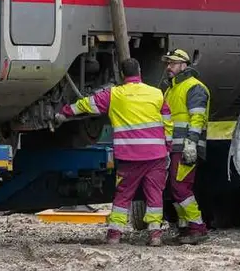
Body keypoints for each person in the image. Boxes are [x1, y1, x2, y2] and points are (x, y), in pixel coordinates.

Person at [55, 58, 171, 246]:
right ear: (140, 71)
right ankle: (155, 235)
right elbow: (168, 121)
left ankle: (115, 235)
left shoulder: (114, 94)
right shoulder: (156, 94)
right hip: (155, 155)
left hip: (130, 156)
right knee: (155, 194)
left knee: (124, 194)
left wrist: (65, 112)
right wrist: (168, 147)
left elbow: (86, 104)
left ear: (123, 75)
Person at [160, 49, 211, 245]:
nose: (169, 67)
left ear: (184, 65)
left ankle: (198, 228)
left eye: (172, 63)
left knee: (181, 188)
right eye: (168, 63)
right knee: (175, 189)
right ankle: (185, 228)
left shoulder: (194, 88)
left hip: (186, 148)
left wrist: (191, 144)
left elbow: (197, 118)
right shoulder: (171, 89)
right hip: (175, 147)